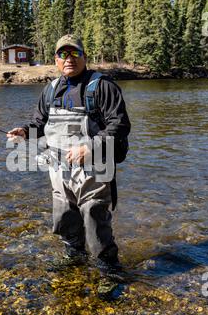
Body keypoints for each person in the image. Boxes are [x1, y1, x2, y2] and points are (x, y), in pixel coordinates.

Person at [7, 34, 131, 300]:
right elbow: (39, 123)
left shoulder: (102, 87)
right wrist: (24, 132)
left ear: (84, 56)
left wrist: (91, 147)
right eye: (63, 54)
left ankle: (109, 270)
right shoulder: (51, 89)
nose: (68, 59)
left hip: (95, 165)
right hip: (59, 166)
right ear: (56, 60)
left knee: (93, 214)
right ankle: (74, 256)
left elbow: (119, 125)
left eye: (74, 53)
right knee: (64, 213)